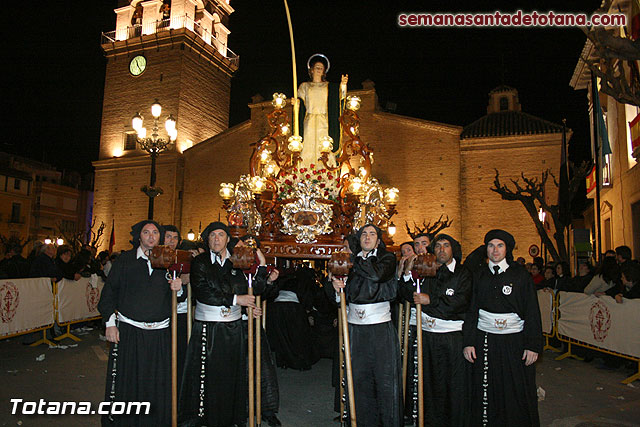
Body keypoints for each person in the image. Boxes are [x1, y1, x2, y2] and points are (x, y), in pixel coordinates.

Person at [178, 222, 268, 426]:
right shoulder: (200, 261)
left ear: (228, 239)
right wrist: (238, 300)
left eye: (220, 235)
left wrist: (261, 266)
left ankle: (231, 418)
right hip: (208, 328)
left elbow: (254, 287)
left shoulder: (238, 260)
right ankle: (204, 418)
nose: (216, 239)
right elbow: (203, 292)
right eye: (212, 236)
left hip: (233, 327)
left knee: (232, 374)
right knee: (207, 376)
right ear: (207, 239)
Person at [98, 220, 183, 426]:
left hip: (160, 334)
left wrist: (179, 288)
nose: (151, 236)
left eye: (155, 232)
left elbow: (178, 298)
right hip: (130, 333)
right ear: (139, 236)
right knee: (129, 381)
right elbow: (109, 294)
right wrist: (110, 323)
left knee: (157, 382)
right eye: (146, 232)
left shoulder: (167, 261)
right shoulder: (125, 261)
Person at [463, 229, 542, 427]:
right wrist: (469, 342)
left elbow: (532, 311)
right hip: (486, 340)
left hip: (514, 342)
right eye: (491, 245)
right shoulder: (479, 276)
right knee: (488, 388)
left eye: (499, 246)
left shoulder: (521, 276)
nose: (495, 250)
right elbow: (472, 311)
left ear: (507, 249)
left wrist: (532, 345)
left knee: (514, 388)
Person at [330, 224, 403, 426]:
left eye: (372, 234)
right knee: (359, 381)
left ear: (378, 241)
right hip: (355, 329)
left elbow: (377, 275)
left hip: (379, 330)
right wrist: (337, 288)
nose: (367, 237)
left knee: (385, 381)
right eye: (364, 234)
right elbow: (336, 297)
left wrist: (352, 260)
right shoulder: (348, 262)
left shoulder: (386, 258)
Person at [398, 233, 472, 426]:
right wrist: (407, 273)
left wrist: (431, 301)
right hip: (427, 337)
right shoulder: (427, 270)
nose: (441, 250)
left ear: (453, 249)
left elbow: (460, 302)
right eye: (438, 246)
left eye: (446, 246)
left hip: (451, 337)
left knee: (453, 385)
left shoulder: (463, 273)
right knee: (428, 384)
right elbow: (408, 294)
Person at [297, 53, 348, 166]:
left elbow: (340, 98)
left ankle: (325, 173)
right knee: (308, 145)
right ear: (311, 70)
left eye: (321, 68)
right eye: (317, 67)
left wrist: (343, 85)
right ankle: (305, 171)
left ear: (324, 71)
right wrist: (296, 103)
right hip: (309, 120)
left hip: (324, 121)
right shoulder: (304, 86)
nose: (319, 69)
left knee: (324, 145)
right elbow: (299, 102)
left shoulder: (329, 87)